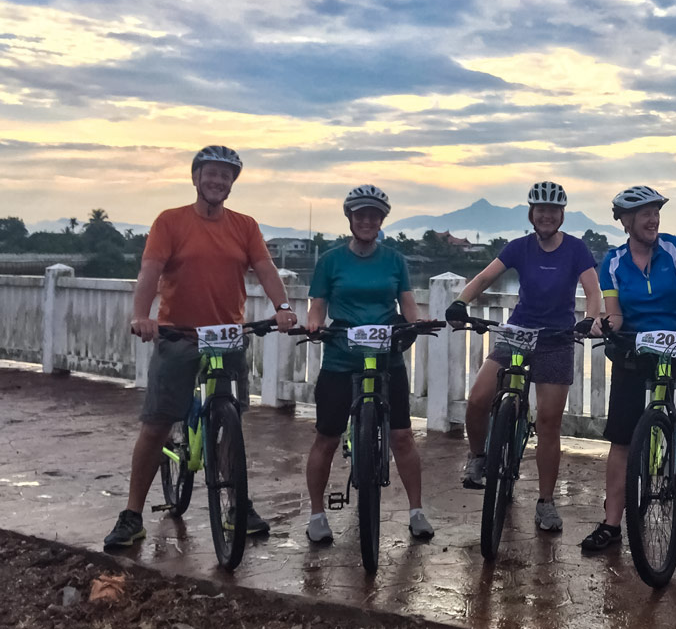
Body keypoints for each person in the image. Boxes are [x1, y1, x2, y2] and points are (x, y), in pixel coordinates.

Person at [104, 146, 298, 548]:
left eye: (226, 176)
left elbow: (265, 269)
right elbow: (150, 271)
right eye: (210, 173)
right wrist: (143, 315)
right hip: (179, 334)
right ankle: (132, 514)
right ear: (195, 177)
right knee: (157, 422)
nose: (217, 181)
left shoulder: (244, 226)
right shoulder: (171, 221)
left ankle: (236, 506)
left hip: (228, 336)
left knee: (231, 421)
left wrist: (282, 307)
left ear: (232, 184)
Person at [579, 185, 676, 556]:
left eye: (656, 212)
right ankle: (612, 523)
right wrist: (604, 324)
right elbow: (615, 312)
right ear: (626, 222)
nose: (653, 219)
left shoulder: (675, 248)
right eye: (644, 214)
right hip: (635, 348)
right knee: (622, 440)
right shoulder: (612, 262)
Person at [447, 181, 601, 532]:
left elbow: (593, 291)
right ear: (532, 214)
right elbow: (485, 277)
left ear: (561, 215)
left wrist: (590, 318)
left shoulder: (576, 250)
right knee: (478, 399)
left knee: (548, 422)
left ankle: (545, 502)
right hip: (518, 332)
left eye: (553, 210)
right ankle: (479, 458)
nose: (546, 216)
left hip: (558, 338)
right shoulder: (519, 247)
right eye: (540, 210)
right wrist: (460, 302)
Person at [304, 185, 434, 543]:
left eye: (373, 216)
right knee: (326, 438)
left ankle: (416, 510)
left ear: (381, 221)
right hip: (341, 354)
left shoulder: (394, 260)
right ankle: (316, 514)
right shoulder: (330, 260)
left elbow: (406, 302)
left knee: (402, 436)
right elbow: (318, 303)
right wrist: (315, 323)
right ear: (350, 219)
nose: (366, 221)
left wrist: (416, 321)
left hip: (385, 354)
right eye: (360, 214)